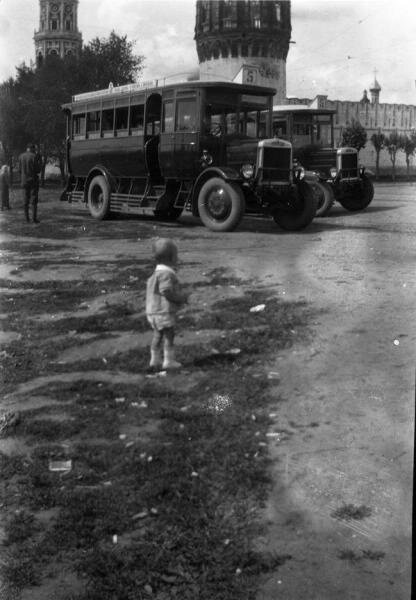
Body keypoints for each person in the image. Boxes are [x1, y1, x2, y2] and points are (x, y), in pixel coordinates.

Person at [146, 238, 188, 371]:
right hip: (163, 312)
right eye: (176, 255)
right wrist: (180, 298)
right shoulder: (166, 274)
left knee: (158, 335)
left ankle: (154, 361)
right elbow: (166, 291)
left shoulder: (155, 274)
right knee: (170, 335)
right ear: (171, 258)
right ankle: (168, 361)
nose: (178, 258)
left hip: (152, 312)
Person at [18, 143, 41, 223]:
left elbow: (19, 170)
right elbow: (38, 170)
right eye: (34, 149)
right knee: (34, 200)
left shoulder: (21, 156)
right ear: (32, 149)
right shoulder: (34, 156)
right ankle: (34, 219)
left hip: (24, 181)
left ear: (27, 148)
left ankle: (26, 219)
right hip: (33, 181)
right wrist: (39, 159)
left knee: (25, 200)